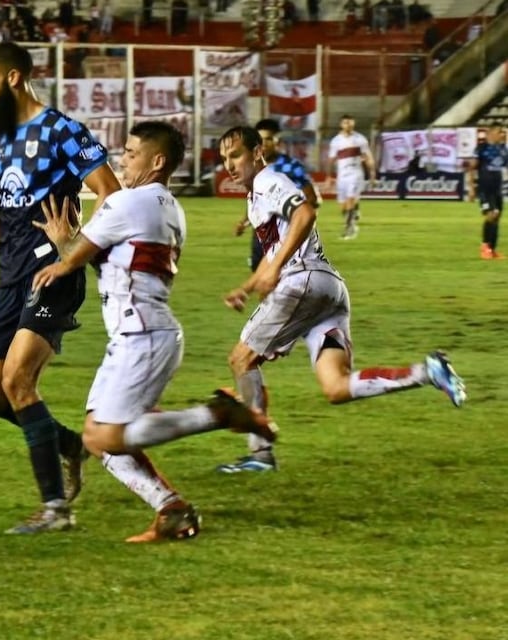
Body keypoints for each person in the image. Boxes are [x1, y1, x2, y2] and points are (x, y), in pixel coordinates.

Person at [30, 121, 276, 542]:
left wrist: (61, 238)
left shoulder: (127, 202)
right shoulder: (170, 207)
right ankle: (172, 510)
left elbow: (71, 259)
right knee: (98, 438)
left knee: (108, 435)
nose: (122, 161)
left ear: (157, 161)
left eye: (131, 153)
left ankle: (218, 415)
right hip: (142, 333)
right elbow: (116, 259)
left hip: (141, 335)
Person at [214, 125, 467, 473]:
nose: (229, 165)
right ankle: (428, 371)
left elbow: (305, 213)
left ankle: (260, 455)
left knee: (241, 359)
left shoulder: (269, 181)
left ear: (257, 152)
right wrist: (248, 285)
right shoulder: (256, 195)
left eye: (236, 155)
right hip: (328, 289)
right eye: (224, 158)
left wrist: (275, 271)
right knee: (336, 387)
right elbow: (275, 251)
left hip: (301, 283)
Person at [0, 42, 122, 534]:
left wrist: (74, 250)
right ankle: (69, 445)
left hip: (51, 274)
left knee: (17, 382)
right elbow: (5, 214)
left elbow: (110, 193)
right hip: (10, 279)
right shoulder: (5, 139)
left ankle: (55, 510)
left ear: (13, 79)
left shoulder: (62, 131)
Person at [235, 118, 321, 271]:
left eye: (268, 139)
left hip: (285, 234)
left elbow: (313, 199)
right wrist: (245, 222)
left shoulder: (290, 166)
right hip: (261, 232)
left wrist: (297, 222)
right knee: (258, 270)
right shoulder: (254, 168)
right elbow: (256, 201)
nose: (264, 144)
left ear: (278, 141)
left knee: (281, 274)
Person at [327, 115, 375, 240]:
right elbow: (331, 159)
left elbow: (368, 157)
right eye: (345, 123)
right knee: (343, 205)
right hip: (342, 175)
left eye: (350, 122)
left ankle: (349, 229)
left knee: (350, 199)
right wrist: (328, 176)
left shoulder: (360, 139)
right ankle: (354, 212)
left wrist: (372, 173)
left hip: (355, 173)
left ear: (353, 123)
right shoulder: (336, 141)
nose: (348, 125)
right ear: (341, 125)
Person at [473, 125, 508, 259]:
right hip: (485, 188)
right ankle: (484, 246)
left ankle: (492, 250)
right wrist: (471, 188)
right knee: (491, 215)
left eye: (503, 132)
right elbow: (473, 167)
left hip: (497, 189)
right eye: (500, 132)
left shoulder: (502, 149)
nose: (502, 134)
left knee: (497, 218)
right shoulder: (481, 148)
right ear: (491, 133)